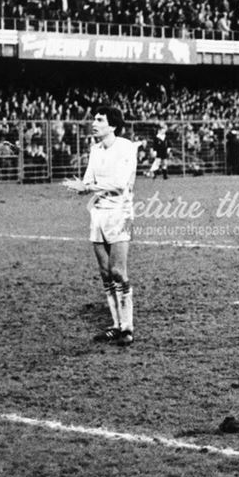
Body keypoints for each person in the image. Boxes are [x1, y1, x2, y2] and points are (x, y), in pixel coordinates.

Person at [63, 106, 138, 346]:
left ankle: (128, 326)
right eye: (93, 119)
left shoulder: (126, 147)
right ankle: (116, 326)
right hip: (98, 213)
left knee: (118, 271)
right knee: (105, 273)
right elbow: (88, 178)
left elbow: (119, 183)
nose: (93, 123)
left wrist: (89, 187)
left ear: (112, 126)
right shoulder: (95, 149)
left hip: (119, 212)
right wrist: (80, 186)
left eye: (99, 120)